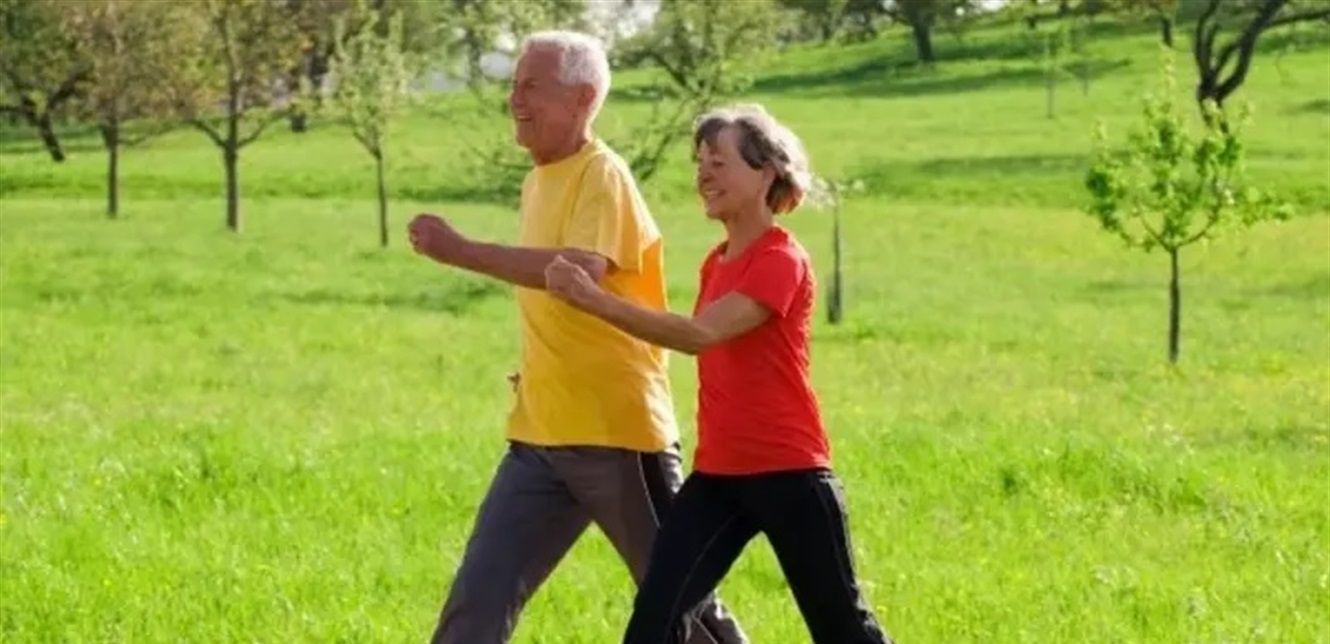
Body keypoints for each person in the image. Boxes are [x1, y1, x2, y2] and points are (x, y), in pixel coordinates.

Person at [406, 31, 745, 644]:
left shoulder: (601, 173)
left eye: (532, 86)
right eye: (514, 86)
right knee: (476, 604)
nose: (515, 100)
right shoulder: (538, 180)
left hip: (617, 436)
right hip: (539, 434)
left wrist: (461, 250)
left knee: (684, 605)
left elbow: (576, 271)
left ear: (583, 98)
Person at [545, 104, 893, 644]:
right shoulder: (717, 261)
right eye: (700, 163)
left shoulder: (781, 259)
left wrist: (593, 299)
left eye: (719, 162)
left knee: (843, 630)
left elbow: (698, 335)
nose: (704, 175)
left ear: (766, 173)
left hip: (790, 473)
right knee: (654, 621)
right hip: (718, 478)